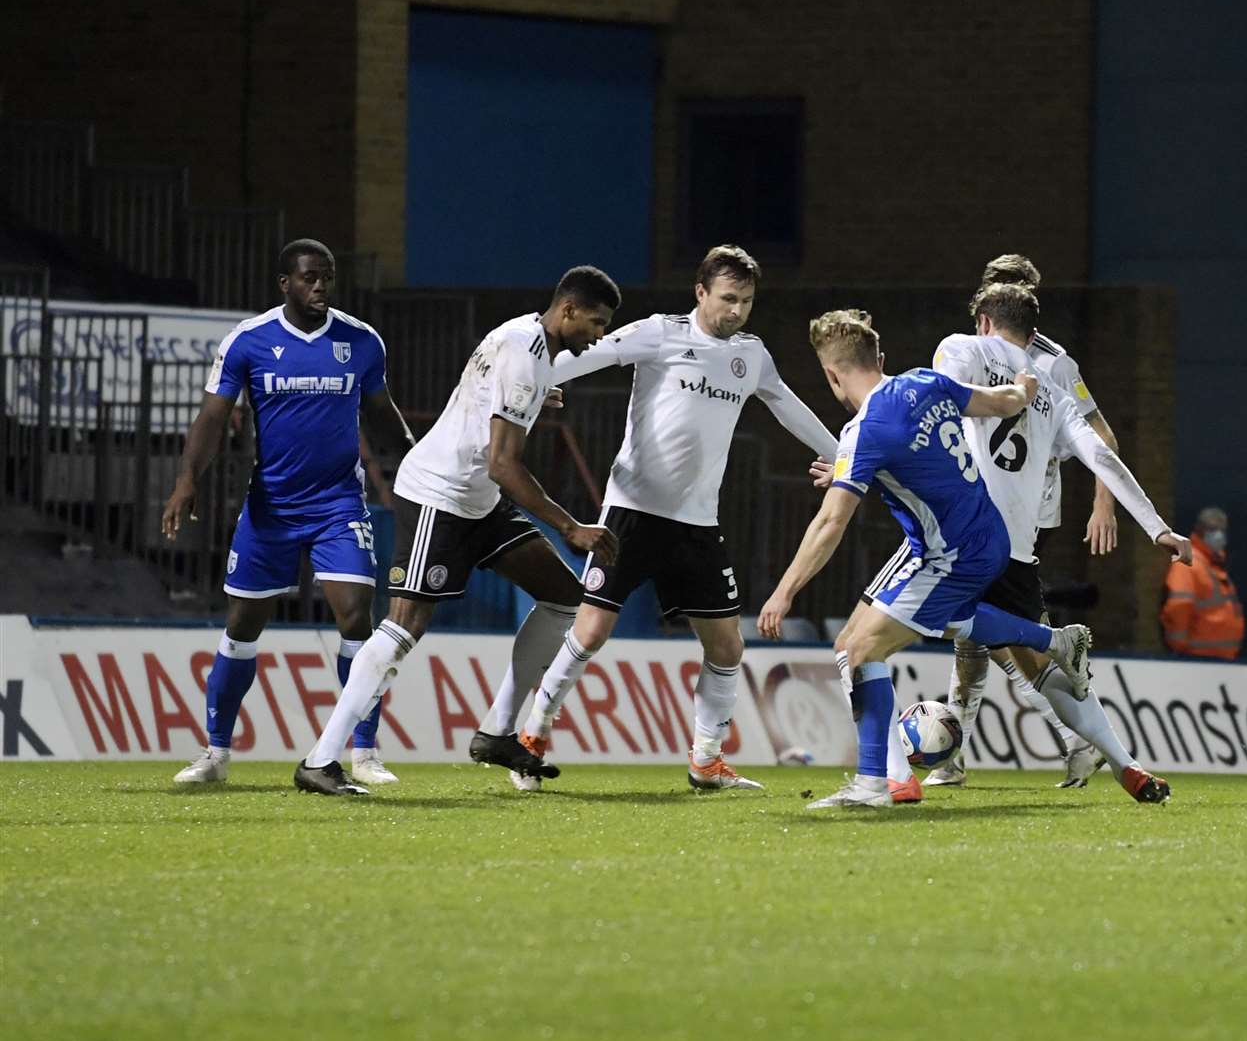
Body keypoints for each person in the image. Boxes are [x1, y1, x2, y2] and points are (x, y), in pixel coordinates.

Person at [515, 245, 838, 793]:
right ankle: (531, 737)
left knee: (726, 647)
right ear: (701, 293)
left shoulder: (750, 356)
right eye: (729, 298)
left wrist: (844, 457)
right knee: (590, 632)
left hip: (696, 524)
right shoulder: (659, 333)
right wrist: (542, 378)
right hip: (631, 513)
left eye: (747, 301)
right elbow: (588, 354)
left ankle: (706, 760)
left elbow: (784, 403)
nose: (737, 310)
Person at [291, 266, 623, 795]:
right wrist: (569, 526)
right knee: (403, 629)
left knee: (565, 597)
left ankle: (496, 732)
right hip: (439, 496)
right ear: (569, 310)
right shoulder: (523, 354)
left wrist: (536, 397)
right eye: (597, 322)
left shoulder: (526, 342)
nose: (599, 335)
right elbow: (503, 465)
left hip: (479, 503)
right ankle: (321, 759)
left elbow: (499, 401)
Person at [758, 308, 1097, 809]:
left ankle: (879, 783)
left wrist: (784, 591)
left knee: (859, 652)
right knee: (858, 641)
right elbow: (1002, 403)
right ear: (880, 357)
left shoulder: (864, 429)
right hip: (987, 536)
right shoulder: (923, 381)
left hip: (950, 554)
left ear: (831, 373)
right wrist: (1026, 386)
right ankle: (1051, 640)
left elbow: (830, 523)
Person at [875, 284, 1189, 804]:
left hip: (959, 540)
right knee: (1035, 672)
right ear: (1032, 330)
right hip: (1014, 553)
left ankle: (892, 777)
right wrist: (1157, 527)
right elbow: (1103, 455)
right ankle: (1125, 764)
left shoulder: (962, 349)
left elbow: (929, 402)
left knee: (860, 646)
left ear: (983, 321)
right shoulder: (1055, 390)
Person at [163, 239, 414, 787]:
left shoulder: (361, 341)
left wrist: (419, 466)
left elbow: (383, 416)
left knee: (356, 618)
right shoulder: (248, 342)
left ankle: (364, 753)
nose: (319, 285)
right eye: (308, 277)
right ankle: (216, 753)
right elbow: (211, 419)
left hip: (338, 504)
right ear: (285, 283)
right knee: (242, 625)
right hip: (270, 507)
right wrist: (187, 481)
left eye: (326, 276)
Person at [926, 254, 1126, 789]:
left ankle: (1078, 739)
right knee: (979, 635)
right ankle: (957, 756)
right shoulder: (978, 350)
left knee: (1001, 635)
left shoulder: (1055, 364)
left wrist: (1103, 502)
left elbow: (1101, 435)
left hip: (1020, 513)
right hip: (982, 507)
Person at [1160, 506, 1244, 660]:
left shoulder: (1212, 564)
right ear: (1200, 530)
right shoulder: (1188, 564)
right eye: (1213, 529)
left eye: (1222, 530)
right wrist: (1179, 646)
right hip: (1196, 657)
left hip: (1217, 658)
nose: (1219, 535)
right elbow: (1179, 606)